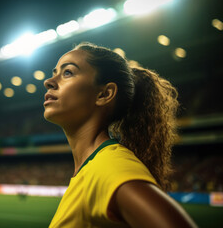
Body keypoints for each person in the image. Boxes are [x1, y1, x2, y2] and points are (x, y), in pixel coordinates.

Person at [43, 42, 197, 227]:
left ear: (104, 94)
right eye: (55, 73)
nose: (49, 81)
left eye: (67, 72)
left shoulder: (109, 167)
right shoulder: (92, 168)